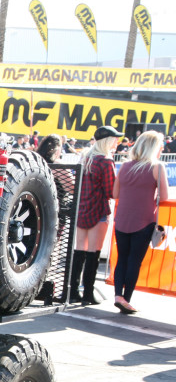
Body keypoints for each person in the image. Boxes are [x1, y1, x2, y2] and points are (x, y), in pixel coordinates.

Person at [111, 130, 169, 314]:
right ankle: (126, 299)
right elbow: (165, 197)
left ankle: (117, 295)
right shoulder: (157, 167)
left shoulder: (125, 166)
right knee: (134, 261)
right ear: (154, 148)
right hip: (144, 221)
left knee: (121, 259)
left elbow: (115, 194)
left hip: (122, 219)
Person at [71, 125, 123, 305]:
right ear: (108, 141)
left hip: (81, 208)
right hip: (98, 210)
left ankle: (72, 290)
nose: (117, 142)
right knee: (93, 253)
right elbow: (111, 192)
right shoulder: (106, 162)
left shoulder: (85, 157)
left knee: (79, 250)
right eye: (115, 139)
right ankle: (87, 293)